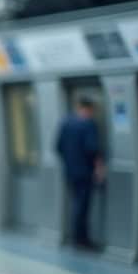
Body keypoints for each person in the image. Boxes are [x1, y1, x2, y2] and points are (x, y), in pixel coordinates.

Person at [55, 96, 105, 249]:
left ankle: (76, 238)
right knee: (83, 206)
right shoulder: (89, 124)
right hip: (85, 172)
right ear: (89, 109)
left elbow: (58, 147)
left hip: (70, 171)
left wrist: (70, 162)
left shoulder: (66, 123)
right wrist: (99, 168)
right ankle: (81, 240)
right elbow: (92, 149)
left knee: (77, 204)